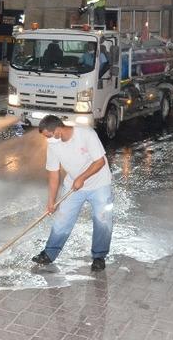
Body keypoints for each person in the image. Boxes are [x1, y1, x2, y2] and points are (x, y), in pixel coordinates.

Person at [32, 115, 114, 271]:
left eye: (48, 136)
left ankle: (99, 257)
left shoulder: (86, 134)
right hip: (73, 186)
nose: (47, 140)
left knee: (102, 220)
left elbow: (100, 161)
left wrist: (82, 177)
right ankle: (49, 254)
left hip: (100, 184)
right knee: (62, 219)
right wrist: (51, 201)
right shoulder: (53, 145)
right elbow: (54, 174)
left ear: (57, 130)